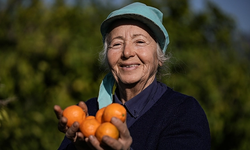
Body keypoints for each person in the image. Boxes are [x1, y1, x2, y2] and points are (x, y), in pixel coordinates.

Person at [54, 2, 211, 150]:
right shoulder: (89, 113)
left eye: (140, 42)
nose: (127, 52)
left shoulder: (183, 112)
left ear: (159, 57)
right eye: (116, 44)